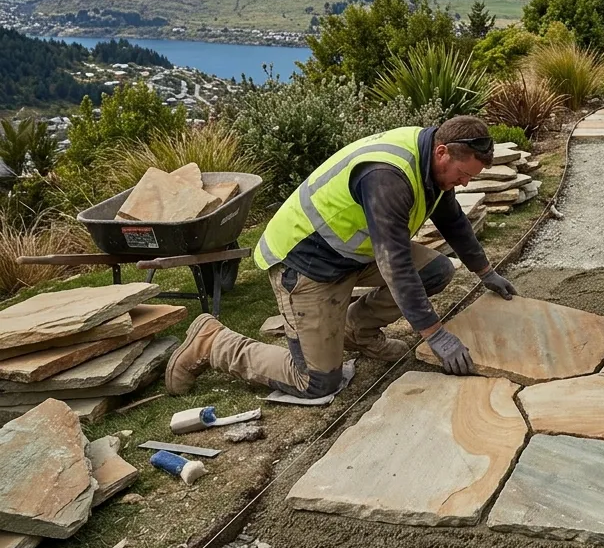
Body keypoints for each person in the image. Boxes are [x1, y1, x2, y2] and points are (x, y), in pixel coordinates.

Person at [164, 115, 518, 398]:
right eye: (464, 175)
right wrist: (435, 335)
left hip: (353, 255)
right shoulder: (389, 176)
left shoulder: (432, 164)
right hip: (306, 264)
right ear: (443, 152)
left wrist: (485, 272)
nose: (466, 183)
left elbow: (452, 220)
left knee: (436, 271)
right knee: (317, 383)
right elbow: (395, 265)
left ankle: (355, 332)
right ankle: (214, 341)